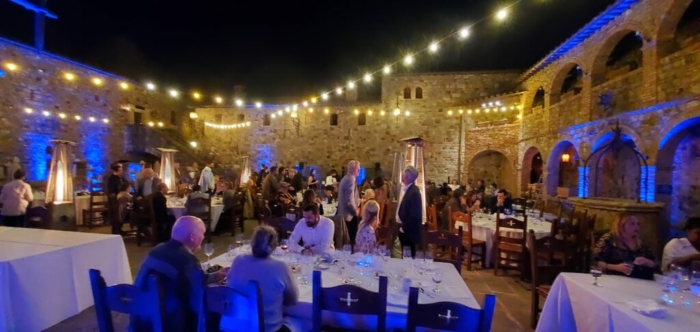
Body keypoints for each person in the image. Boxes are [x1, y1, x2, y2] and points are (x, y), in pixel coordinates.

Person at [130, 216, 228, 332]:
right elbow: (197, 298)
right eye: (202, 233)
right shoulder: (186, 260)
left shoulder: (156, 250)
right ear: (192, 237)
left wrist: (215, 276)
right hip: (168, 324)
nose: (203, 237)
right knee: (218, 312)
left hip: (140, 320)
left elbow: (186, 280)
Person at [221, 225, 299, 332]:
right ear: (274, 246)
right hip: (266, 329)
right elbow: (292, 300)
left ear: (252, 243)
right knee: (303, 321)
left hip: (231, 327)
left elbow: (229, 284)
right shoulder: (280, 267)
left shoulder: (238, 260)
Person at [593, 214, 656, 280]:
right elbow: (596, 262)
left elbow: (655, 265)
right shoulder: (609, 240)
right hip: (613, 279)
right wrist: (616, 267)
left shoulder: (640, 242)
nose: (637, 227)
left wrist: (646, 261)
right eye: (632, 224)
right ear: (621, 226)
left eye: (638, 224)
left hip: (637, 279)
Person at [397, 166, 423, 258]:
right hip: (406, 229)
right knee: (405, 255)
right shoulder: (410, 190)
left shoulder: (414, 192)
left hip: (409, 232)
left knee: (408, 257)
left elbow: (414, 215)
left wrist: (404, 228)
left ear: (407, 177)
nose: (402, 177)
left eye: (403, 175)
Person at [338, 160, 361, 244]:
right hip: (349, 216)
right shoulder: (350, 180)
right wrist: (356, 211)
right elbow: (349, 201)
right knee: (350, 240)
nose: (359, 171)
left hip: (343, 214)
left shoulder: (345, 178)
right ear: (354, 169)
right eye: (358, 169)